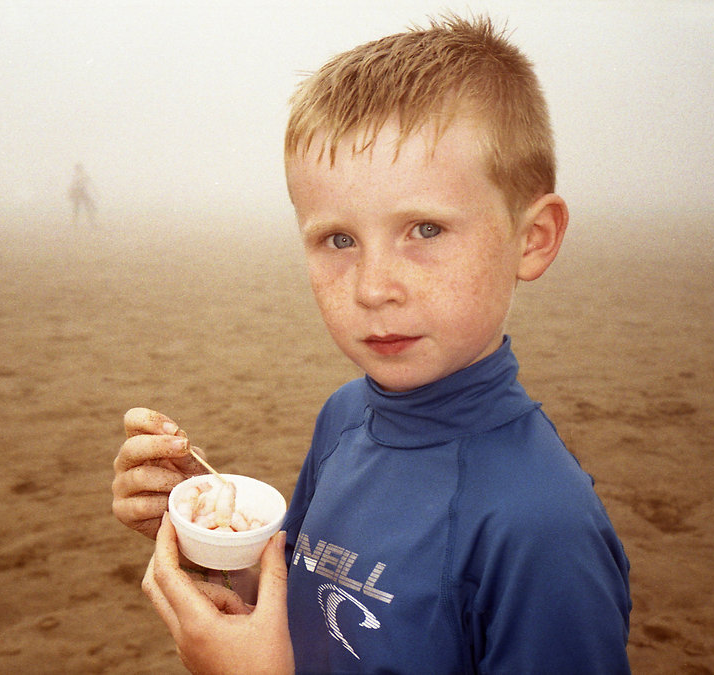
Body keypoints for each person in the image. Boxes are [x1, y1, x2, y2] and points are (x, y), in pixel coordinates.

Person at [113, 14, 631, 674]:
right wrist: (212, 533)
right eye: (339, 240)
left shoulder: (541, 530)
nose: (373, 287)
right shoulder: (344, 419)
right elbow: (301, 616)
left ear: (532, 237)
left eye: (424, 229)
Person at [68, 163, 97, 227]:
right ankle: (76, 223)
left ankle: (91, 222)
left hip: (81, 192)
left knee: (85, 207)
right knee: (79, 208)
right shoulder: (78, 175)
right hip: (79, 192)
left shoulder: (80, 175)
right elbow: (72, 185)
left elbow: (90, 183)